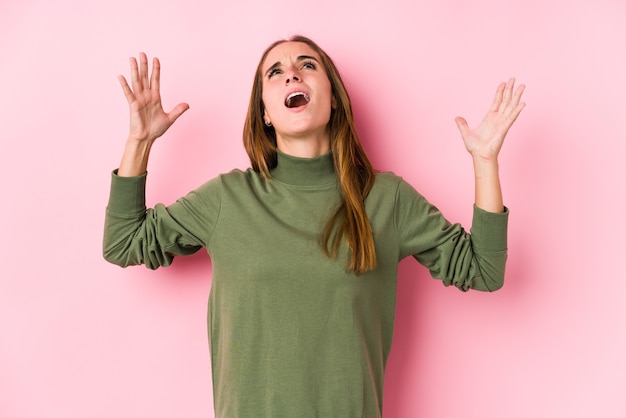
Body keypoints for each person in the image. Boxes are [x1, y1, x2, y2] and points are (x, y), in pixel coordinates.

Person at [103, 35, 525, 417]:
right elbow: (123, 243)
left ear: (334, 98)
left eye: (307, 65)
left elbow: (484, 270)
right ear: (265, 112)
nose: (291, 74)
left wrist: (485, 162)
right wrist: (139, 141)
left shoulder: (386, 199)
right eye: (275, 72)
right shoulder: (227, 199)